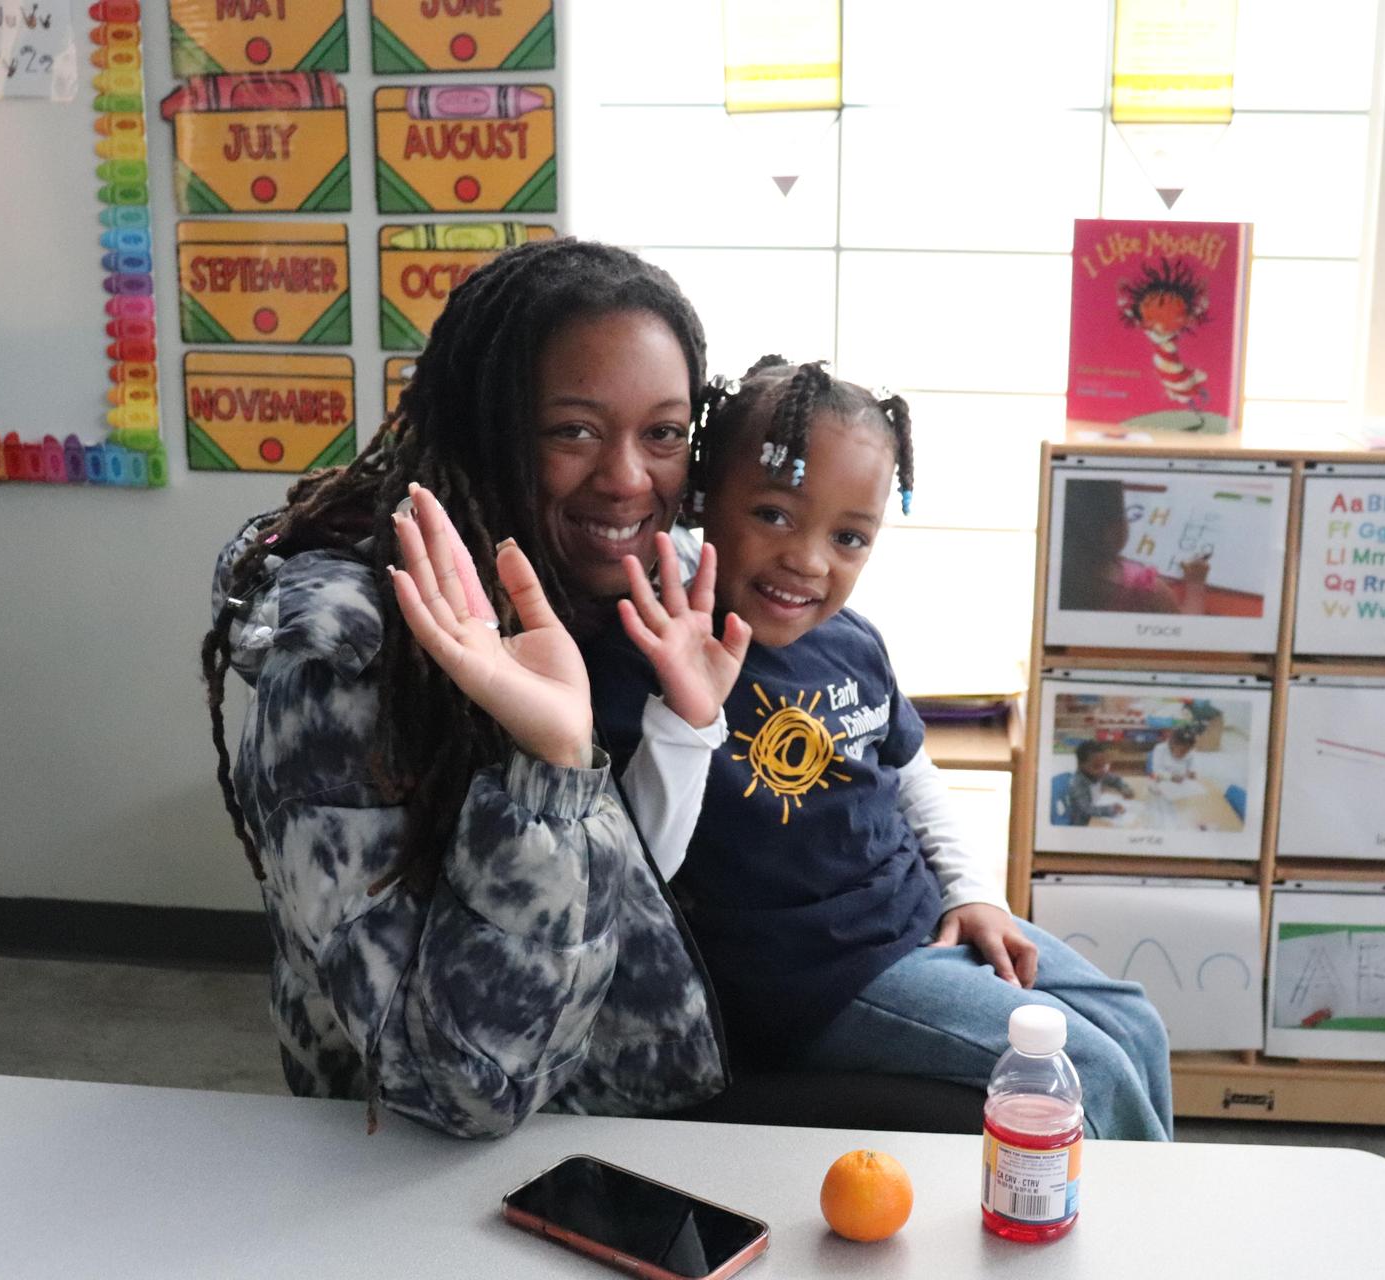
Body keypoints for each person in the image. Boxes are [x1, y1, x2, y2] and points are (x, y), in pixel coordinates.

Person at [199, 239, 751, 1138]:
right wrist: (554, 767)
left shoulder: (648, 589)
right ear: (482, 428)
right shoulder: (351, 655)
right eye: (573, 430)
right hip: (426, 1171)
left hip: (634, 1117)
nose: (628, 478)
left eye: (663, 433)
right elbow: (455, 1085)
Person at [585, 358, 1173, 1142]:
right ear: (701, 498)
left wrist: (974, 894)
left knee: (1136, 1027)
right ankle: (1111, 1219)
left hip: (916, 922)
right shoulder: (648, 651)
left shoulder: (850, 641)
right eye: (774, 514)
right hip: (815, 980)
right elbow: (638, 872)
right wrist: (687, 717)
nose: (809, 561)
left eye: (848, 537)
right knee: (1086, 1071)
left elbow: (911, 774)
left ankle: (1133, 1208)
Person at [1057, 478, 1210, 614]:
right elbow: (1186, 628)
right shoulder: (1148, 591)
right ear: (1112, 530)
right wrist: (1196, 584)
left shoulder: (1057, 583)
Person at [1065, 739, 1134, 825]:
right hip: (1084, 822)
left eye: (1104, 765)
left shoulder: (1098, 773)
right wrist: (1110, 810)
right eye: (1096, 766)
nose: (1102, 770)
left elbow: (1115, 780)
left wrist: (1124, 788)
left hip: (1098, 810)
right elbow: (1086, 810)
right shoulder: (1077, 784)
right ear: (1080, 765)